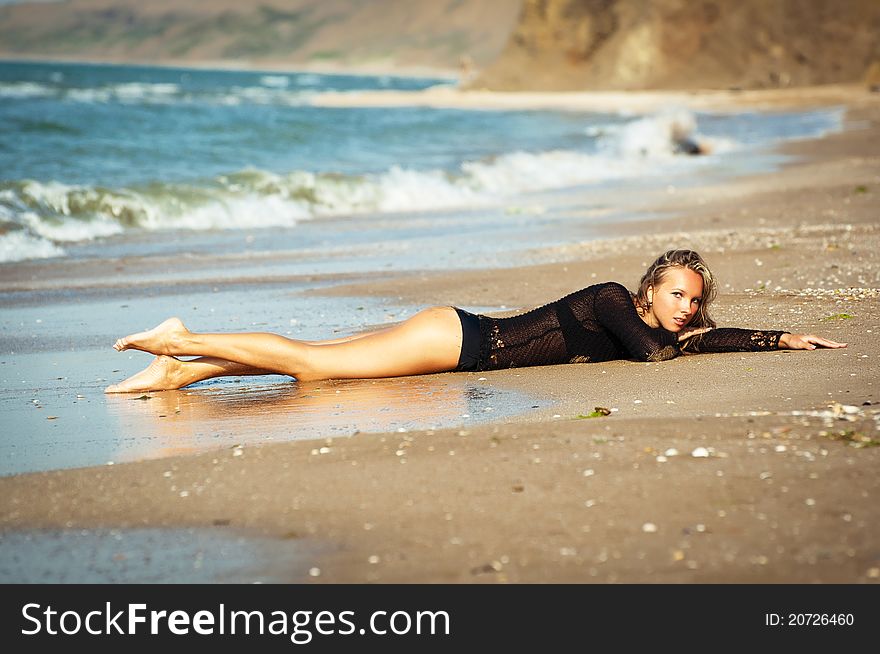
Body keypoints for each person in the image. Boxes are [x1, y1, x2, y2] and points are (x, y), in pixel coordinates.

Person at [104, 249, 846, 393]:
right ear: (652, 287)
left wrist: (778, 338)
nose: (685, 308)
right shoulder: (617, 298)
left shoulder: (651, 319)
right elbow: (655, 356)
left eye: (693, 300)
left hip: (454, 346)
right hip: (458, 340)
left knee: (326, 356)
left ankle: (184, 370)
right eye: (676, 294)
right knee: (318, 362)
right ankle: (185, 336)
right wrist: (695, 338)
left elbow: (685, 341)